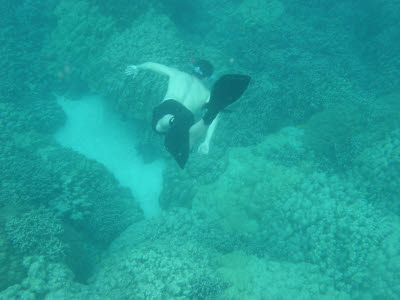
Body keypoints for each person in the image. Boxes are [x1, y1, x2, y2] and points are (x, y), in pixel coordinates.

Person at [125, 59, 250, 169]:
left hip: (169, 106)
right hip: (186, 116)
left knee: (159, 126)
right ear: (207, 77)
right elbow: (216, 116)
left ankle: (171, 121)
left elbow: (152, 65)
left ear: (193, 68)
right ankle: (198, 124)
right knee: (188, 144)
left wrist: (137, 67)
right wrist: (207, 141)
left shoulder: (176, 73)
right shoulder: (206, 94)